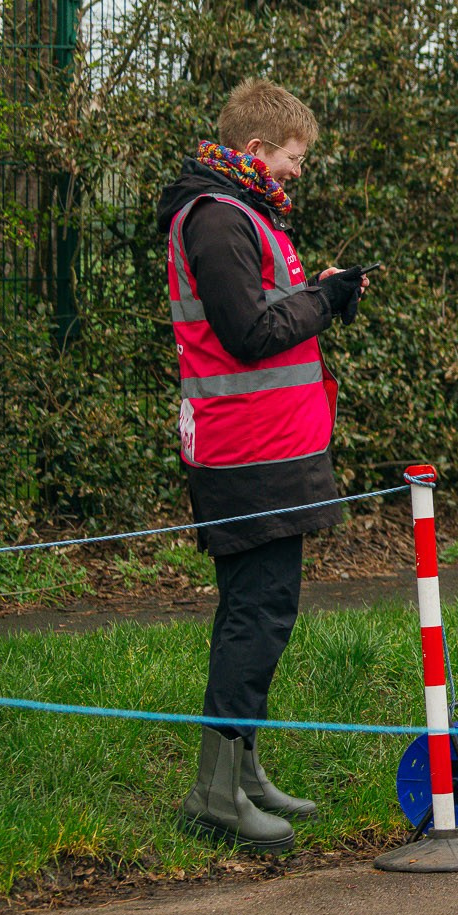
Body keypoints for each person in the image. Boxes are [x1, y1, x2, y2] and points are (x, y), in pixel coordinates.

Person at [155, 79, 372, 853]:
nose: (299, 171)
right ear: (254, 151)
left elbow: (270, 316)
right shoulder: (217, 219)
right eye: (293, 157)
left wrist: (321, 294)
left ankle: (242, 770)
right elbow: (247, 331)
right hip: (246, 450)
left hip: (273, 445)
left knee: (263, 610)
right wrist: (323, 300)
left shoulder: (245, 213)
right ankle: (214, 793)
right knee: (257, 612)